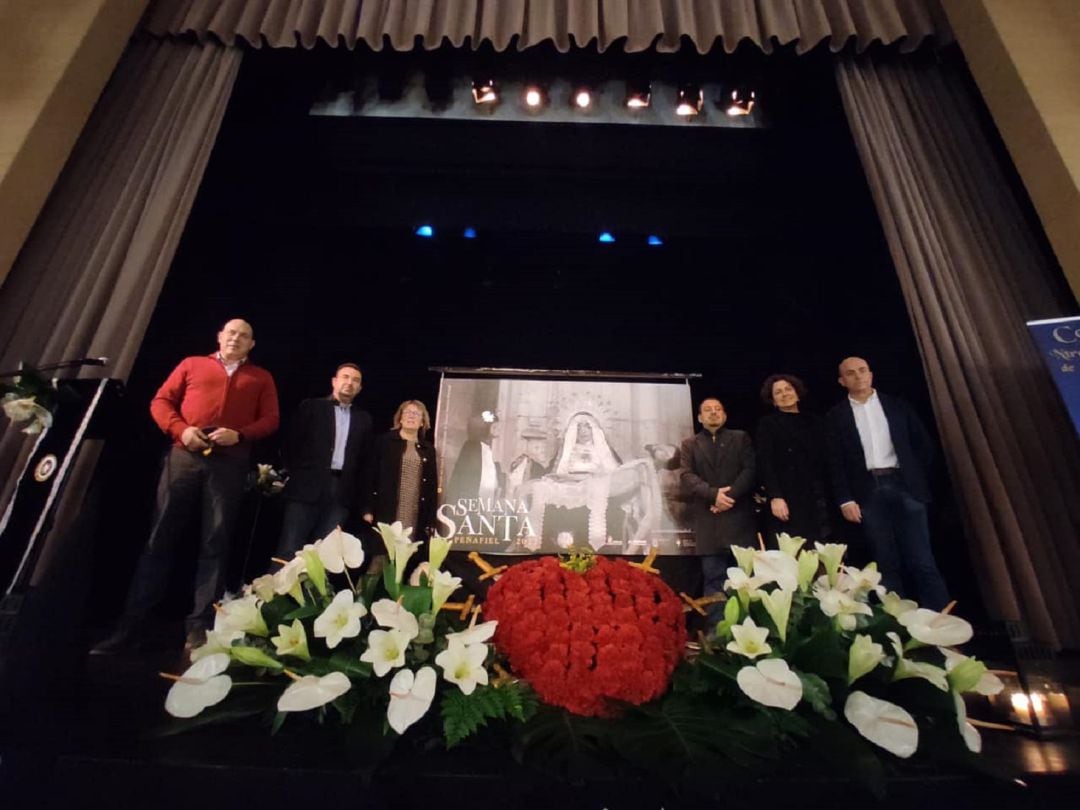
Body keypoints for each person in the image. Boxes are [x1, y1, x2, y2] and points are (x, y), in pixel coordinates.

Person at [94, 318, 279, 653]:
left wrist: (240, 434)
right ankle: (131, 626)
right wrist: (182, 430)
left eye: (244, 335)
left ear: (252, 344)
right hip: (183, 458)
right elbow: (160, 402)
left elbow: (270, 419)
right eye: (231, 333)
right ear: (220, 336)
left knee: (216, 543)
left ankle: (197, 628)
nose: (236, 338)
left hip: (229, 465)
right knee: (159, 538)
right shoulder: (192, 364)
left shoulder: (260, 377)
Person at [825, 356, 949, 608]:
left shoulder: (897, 406)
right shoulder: (836, 416)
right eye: (851, 373)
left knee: (922, 559)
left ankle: (941, 628)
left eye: (862, 371)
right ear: (841, 381)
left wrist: (914, 480)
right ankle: (899, 629)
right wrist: (845, 498)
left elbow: (923, 446)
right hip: (867, 492)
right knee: (885, 562)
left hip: (905, 486)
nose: (858, 376)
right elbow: (834, 461)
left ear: (871, 374)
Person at [275, 363, 373, 558]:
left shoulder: (364, 419)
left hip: (341, 493)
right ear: (334, 381)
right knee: (290, 546)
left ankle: (312, 590)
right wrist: (294, 474)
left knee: (325, 554)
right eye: (345, 377)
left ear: (360, 388)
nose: (350, 383)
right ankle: (279, 589)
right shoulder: (312, 407)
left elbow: (365, 463)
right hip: (305, 488)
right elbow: (290, 444)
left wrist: (363, 503)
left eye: (356, 380)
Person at [679, 398, 756, 618]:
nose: (713, 413)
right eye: (707, 410)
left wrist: (726, 498)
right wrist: (713, 495)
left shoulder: (741, 438)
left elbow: (750, 471)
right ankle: (717, 637)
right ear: (700, 417)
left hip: (739, 520)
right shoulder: (690, 444)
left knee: (743, 581)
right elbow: (686, 476)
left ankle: (743, 633)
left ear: (724, 415)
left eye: (718, 409)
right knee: (714, 581)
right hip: (708, 522)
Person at [755, 373, 832, 544]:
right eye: (778, 392)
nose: (784, 394)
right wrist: (775, 496)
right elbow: (765, 463)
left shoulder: (816, 422)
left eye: (788, 389)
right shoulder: (768, 425)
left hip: (817, 496)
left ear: (797, 393)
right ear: (773, 400)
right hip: (787, 498)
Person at [367, 400, 438, 546]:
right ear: (400, 418)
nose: (411, 416)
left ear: (422, 422)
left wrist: (430, 519)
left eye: (416, 414)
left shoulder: (428, 449)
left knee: (408, 554)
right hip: (387, 509)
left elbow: (432, 485)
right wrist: (366, 508)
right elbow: (369, 475)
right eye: (407, 412)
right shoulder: (384, 442)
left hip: (414, 511)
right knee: (383, 555)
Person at [445, 409, 501, 503]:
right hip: (472, 500)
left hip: (486, 500)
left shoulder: (487, 448)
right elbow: (464, 478)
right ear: (484, 428)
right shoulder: (472, 447)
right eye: (494, 427)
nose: (498, 430)